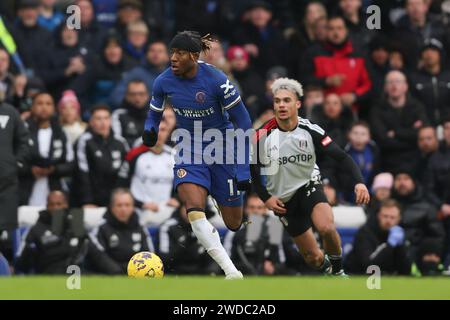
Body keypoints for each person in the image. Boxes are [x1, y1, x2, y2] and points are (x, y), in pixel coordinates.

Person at [142, 31, 253, 279]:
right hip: (189, 147)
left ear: (193, 56)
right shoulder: (163, 81)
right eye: (172, 52)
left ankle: (216, 191)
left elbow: (244, 123)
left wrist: (244, 169)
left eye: (179, 53)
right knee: (194, 208)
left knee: (234, 223)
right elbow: (154, 113)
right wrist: (150, 130)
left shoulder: (217, 80)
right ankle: (231, 271)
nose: (173, 58)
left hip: (222, 148)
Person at [251, 77, 370, 276]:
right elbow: (252, 170)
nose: (281, 105)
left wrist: (359, 182)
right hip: (283, 200)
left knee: (327, 227)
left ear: (297, 104)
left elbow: (342, 156)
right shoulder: (260, 136)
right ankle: (327, 270)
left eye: (286, 100)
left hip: (309, 185)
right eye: (277, 101)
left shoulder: (310, 130)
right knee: (313, 258)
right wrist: (266, 198)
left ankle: (339, 273)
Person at [118, 108, 178, 226]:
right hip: (139, 212)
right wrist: (140, 204)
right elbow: (121, 186)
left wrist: (177, 199)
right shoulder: (134, 155)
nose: (159, 134)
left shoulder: (174, 155)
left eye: (163, 130)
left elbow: (181, 183)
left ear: (168, 133)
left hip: (166, 211)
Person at [301, 15, 372, 115]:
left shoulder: (359, 53)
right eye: (331, 29)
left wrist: (354, 96)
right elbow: (304, 79)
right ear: (326, 31)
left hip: (350, 111)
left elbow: (368, 84)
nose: (336, 33)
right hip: (320, 112)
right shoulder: (313, 53)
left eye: (339, 28)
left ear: (346, 30)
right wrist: (326, 81)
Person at [19, 92, 73, 206]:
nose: (44, 107)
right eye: (40, 103)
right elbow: (13, 161)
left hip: (54, 189)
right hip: (25, 189)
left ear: (54, 108)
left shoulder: (60, 132)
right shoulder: (22, 131)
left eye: (48, 104)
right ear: (32, 107)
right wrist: (30, 170)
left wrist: (54, 169)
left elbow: (70, 164)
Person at [15, 191, 88, 274]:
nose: (55, 208)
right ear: (47, 206)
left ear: (66, 205)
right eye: (51, 204)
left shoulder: (76, 224)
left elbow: (89, 251)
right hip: (50, 275)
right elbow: (20, 264)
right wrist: (30, 251)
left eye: (59, 204)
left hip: (76, 273)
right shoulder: (37, 229)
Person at [370, 70, 429, 173]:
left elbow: (420, 134)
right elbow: (382, 139)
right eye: (390, 82)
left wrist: (395, 133)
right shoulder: (377, 110)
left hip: (415, 159)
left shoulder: (417, 107)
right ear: (385, 87)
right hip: (387, 160)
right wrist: (410, 134)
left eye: (397, 81)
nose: (394, 85)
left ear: (405, 86)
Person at [72, 104, 129, 208]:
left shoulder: (121, 142)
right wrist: (87, 201)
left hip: (116, 200)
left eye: (106, 118)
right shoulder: (84, 141)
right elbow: (82, 172)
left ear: (110, 121)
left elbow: (126, 172)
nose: (103, 122)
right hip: (92, 200)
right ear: (91, 122)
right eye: (98, 118)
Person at [87, 188, 155, 275]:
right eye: (119, 205)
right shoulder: (101, 228)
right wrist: (120, 273)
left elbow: (149, 255)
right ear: (111, 207)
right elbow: (99, 257)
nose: (123, 209)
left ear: (133, 207)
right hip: (110, 277)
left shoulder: (140, 227)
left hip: (135, 275)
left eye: (127, 205)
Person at [392, 171, 445, 272]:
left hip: (418, 254)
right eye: (398, 179)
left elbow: (438, 236)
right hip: (391, 252)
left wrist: (430, 251)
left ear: (414, 182)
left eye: (406, 179)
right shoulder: (387, 206)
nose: (402, 182)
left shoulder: (426, 207)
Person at [224, 193, 287, 275]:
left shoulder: (274, 229)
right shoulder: (236, 230)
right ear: (246, 209)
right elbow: (226, 260)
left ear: (265, 210)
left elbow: (281, 260)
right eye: (252, 207)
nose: (255, 211)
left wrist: (273, 268)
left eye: (259, 208)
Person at [345, 199, 411, 275]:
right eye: (385, 216)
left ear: (399, 219)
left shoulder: (399, 234)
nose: (388, 220)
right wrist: (389, 246)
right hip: (358, 277)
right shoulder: (365, 233)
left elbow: (406, 271)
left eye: (392, 217)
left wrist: (401, 246)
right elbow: (369, 266)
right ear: (378, 216)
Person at [0, 96, 29, 263]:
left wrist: (15, 164)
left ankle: (10, 269)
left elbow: (24, 141)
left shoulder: (10, 112)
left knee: (6, 233)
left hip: (7, 183)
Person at [159, 205, 219, 275]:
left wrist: (211, 272)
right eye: (187, 207)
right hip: (176, 272)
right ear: (180, 208)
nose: (190, 211)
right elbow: (164, 259)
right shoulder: (169, 227)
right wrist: (185, 243)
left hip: (200, 273)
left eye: (195, 208)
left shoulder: (207, 228)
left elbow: (214, 258)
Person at [109, 41, 169, 108]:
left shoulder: (175, 76)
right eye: (152, 50)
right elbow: (116, 97)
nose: (155, 54)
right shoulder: (136, 73)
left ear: (167, 56)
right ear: (146, 54)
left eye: (160, 51)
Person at [425, 116, 450, 265]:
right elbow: (428, 188)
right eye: (447, 128)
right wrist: (442, 205)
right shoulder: (435, 157)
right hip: (442, 208)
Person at [409, 39, 450, 126]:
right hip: (424, 125)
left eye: (433, 50)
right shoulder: (414, 78)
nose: (429, 54)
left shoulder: (448, 76)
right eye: (425, 51)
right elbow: (412, 104)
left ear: (440, 54)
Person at [112, 79, 149, 147]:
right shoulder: (119, 115)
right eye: (133, 94)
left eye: (141, 94)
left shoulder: (155, 116)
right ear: (126, 96)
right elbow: (117, 142)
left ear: (147, 95)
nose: (137, 98)